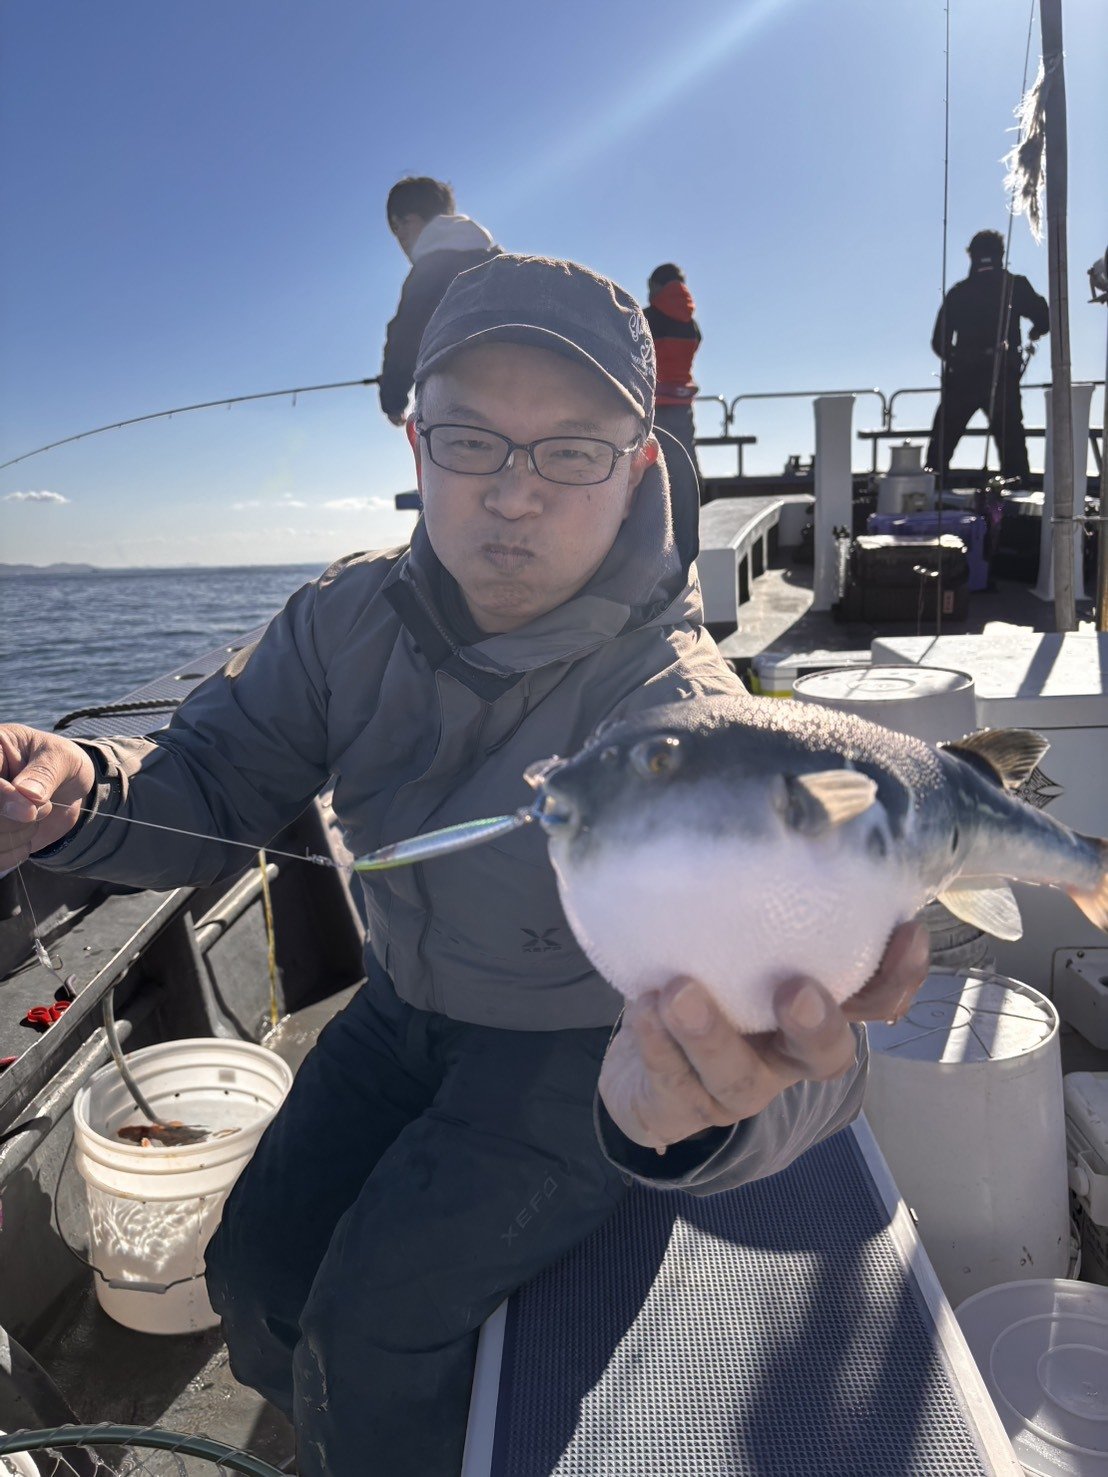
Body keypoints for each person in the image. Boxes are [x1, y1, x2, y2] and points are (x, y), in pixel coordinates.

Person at [0, 254, 929, 1477]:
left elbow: (798, 1026)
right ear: (416, 444)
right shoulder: (343, 621)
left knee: (370, 1339)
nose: (514, 493)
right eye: (472, 440)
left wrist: (722, 1108)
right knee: (254, 1275)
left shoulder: (679, 715)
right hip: (398, 1007)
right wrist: (77, 788)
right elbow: (212, 777)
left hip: (568, 1049)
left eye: (571, 451)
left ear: (636, 466)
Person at [925, 229, 1050, 482]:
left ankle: (930, 491)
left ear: (971, 256)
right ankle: (1017, 495)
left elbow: (939, 342)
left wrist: (959, 359)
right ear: (1001, 254)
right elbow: (1044, 318)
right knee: (1012, 446)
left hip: (961, 378)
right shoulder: (1015, 285)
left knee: (941, 445)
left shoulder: (958, 293)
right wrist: (1035, 332)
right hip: (1002, 375)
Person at [378, 175, 500, 426]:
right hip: (511, 399)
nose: (401, 239)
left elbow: (405, 337)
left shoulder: (429, 270)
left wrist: (393, 400)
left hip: (463, 407)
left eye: (401, 226)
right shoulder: (496, 261)